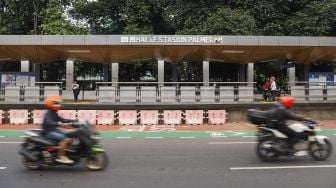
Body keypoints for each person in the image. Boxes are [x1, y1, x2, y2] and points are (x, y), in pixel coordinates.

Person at [42, 96, 76, 164]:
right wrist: (61, 125)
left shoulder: (54, 113)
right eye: (57, 103)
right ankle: (61, 156)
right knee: (65, 139)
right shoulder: (48, 113)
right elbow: (49, 122)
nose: (59, 105)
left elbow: (62, 120)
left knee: (70, 136)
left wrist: (73, 121)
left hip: (54, 130)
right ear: (52, 104)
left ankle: (65, 151)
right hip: (49, 132)